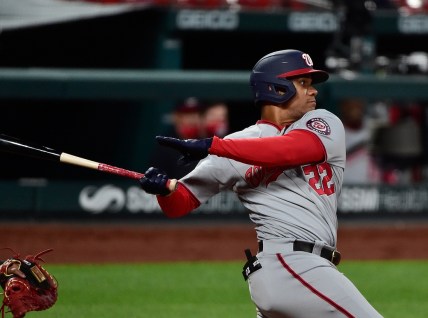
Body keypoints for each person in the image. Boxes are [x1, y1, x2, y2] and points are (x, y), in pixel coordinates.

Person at [140, 49, 382, 317]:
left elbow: (291, 150)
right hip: (290, 264)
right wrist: (164, 189)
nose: (312, 91)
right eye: (303, 83)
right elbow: (181, 202)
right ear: (277, 89)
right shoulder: (234, 146)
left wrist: (214, 146)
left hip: (302, 268)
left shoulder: (323, 122)